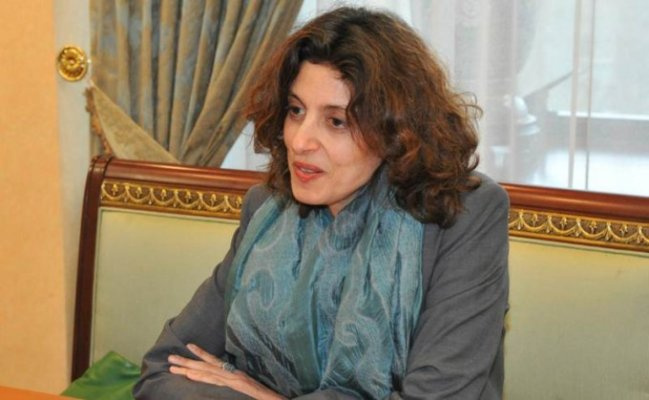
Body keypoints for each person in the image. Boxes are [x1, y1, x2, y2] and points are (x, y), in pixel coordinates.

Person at [134, 6, 509, 400]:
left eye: (336, 121)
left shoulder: (465, 215)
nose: (299, 142)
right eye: (296, 111)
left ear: (395, 130)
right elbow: (163, 370)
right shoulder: (266, 210)